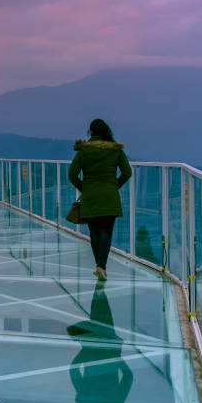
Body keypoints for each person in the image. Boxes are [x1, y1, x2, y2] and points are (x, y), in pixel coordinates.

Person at [69, 118, 132, 281]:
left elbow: (72, 174)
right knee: (106, 231)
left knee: (94, 232)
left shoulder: (83, 150)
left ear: (91, 132)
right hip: (109, 196)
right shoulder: (116, 150)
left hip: (90, 196)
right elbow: (127, 172)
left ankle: (99, 265)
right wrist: (114, 186)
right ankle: (101, 266)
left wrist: (84, 188)